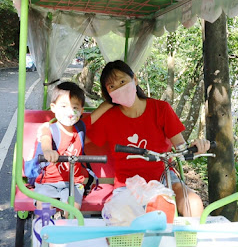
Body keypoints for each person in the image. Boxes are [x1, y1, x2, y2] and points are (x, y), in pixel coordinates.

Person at [87, 60, 210, 217]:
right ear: (108, 93)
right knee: (123, 215)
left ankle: (190, 237)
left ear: (135, 79)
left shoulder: (160, 109)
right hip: (127, 183)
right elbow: (79, 135)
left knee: (192, 202)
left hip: (164, 176)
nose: (119, 88)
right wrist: (102, 108)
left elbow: (181, 148)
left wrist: (198, 148)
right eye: (112, 86)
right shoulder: (109, 118)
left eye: (122, 81)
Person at [25, 81, 90, 212]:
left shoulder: (80, 129)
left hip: (74, 183)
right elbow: (45, 140)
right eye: (64, 106)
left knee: (72, 211)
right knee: (44, 209)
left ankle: (68, 228)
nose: (70, 112)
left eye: (75, 108)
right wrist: (48, 151)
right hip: (48, 182)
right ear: (53, 108)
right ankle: (44, 229)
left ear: (82, 110)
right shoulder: (49, 129)